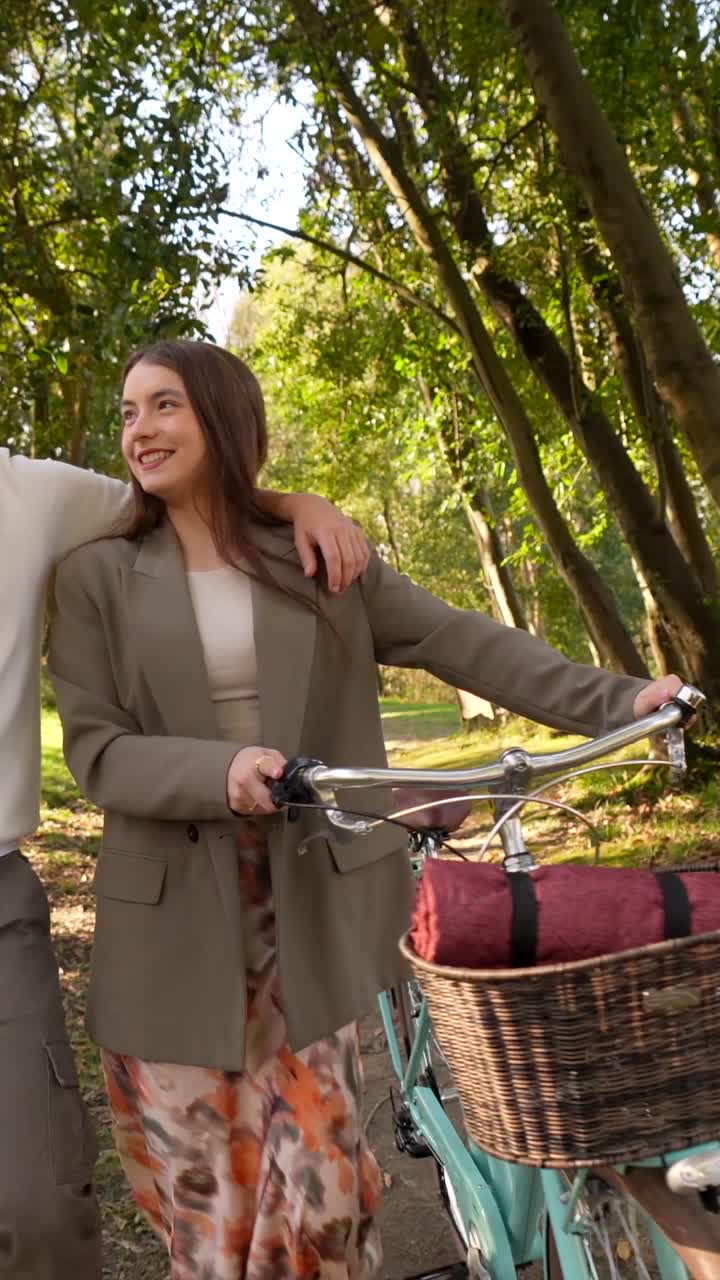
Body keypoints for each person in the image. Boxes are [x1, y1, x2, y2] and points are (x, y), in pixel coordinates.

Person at [48, 339, 681, 1280]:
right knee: (212, 1224)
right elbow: (98, 751)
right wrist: (226, 770)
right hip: (172, 924)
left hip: (309, 898)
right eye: (131, 411)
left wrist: (615, 699)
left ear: (222, 415)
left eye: (166, 405)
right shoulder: (97, 577)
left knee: (328, 1204)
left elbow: (456, 638)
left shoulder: (314, 551)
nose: (140, 428)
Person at [0, 438, 367, 1279]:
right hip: (174, 889)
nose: (142, 424)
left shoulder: (30, 492)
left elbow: (180, 489)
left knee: (35, 1208)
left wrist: (300, 504)